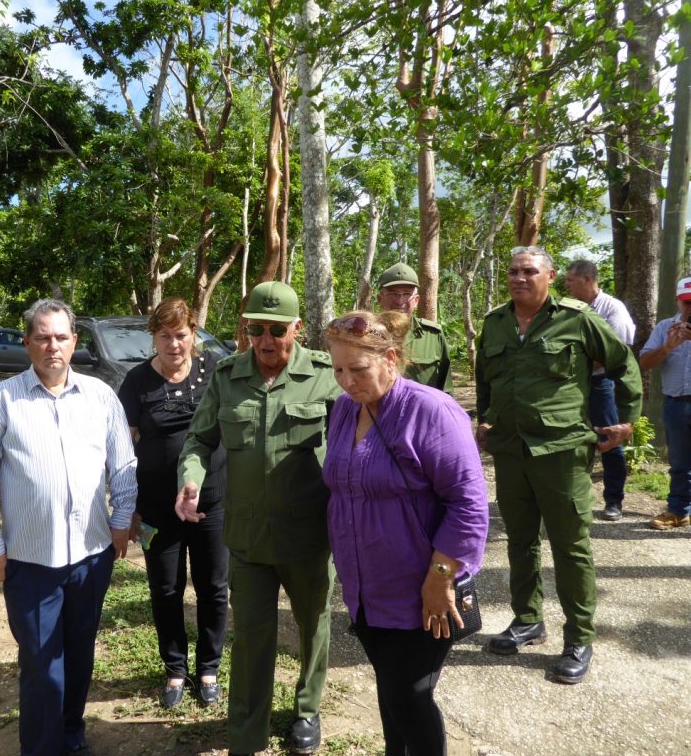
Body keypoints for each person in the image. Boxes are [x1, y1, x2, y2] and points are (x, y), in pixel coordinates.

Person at [0, 298, 137, 756]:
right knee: (41, 663)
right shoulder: (1, 400)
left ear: (74, 342)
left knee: (79, 653)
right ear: (27, 343)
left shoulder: (100, 396)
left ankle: (71, 732)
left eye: (61, 336)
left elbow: (123, 466)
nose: (52, 346)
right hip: (30, 559)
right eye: (42, 336)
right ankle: (42, 747)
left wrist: (121, 523)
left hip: (92, 554)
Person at [176, 281, 342, 756]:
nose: (266, 341)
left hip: (309, 536)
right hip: (247, 538)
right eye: (255, 330)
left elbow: (358, 443)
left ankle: (307, 710)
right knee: (250, 640)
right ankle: (247, 733)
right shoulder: (227, 376)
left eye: (277, 330)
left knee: (313, 627)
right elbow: (198, 441)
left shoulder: (327, 376)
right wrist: (189, 479)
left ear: (298, 329)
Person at [324, 309, 488, 756]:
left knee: (409, 696)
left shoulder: (431, 410)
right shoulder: (344, 408)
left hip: (420, 592)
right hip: (363, 588)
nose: (346, 380)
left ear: (391, 358)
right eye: (338, 369)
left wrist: (440, 579)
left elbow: (468, 503)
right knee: (390, 690)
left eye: (358, 370)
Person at [475, 246, 642, 685]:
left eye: (529, 271)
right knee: (520, 541)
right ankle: (527, 619)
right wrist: (485, 418)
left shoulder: (578, 318)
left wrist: (628, 421)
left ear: (549, 276)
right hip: (511, 451)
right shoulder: (494, 324)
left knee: (570, 547)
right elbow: (484, 380)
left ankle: (578, 638)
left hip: (562, 452)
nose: (518, 278)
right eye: (512, 271)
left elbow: (624, 363)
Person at [117, 298, 228, 709]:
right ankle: (176, 670)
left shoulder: (215, 372)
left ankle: (209, 668)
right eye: (165, 336)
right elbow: (122, 449)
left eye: (181, 335)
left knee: (214, 587)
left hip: (213, 501)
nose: (174, 344)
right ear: (153, 337)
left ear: (193, 333)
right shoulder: (136, 383)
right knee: (165, 589)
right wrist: (128, 506)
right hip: (157, 509)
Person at [565, 259, 636, 521]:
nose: (566, 285)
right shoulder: (571, 310)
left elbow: (617, 351)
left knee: (609, 438)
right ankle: (574, 496)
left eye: (570, 280)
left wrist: (574, 363)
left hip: (602, 383)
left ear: (585, 280)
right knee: (573, 438)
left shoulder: (612, 308)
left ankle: (614, 500)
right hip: (573, 384)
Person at [638, 276, 691, 530]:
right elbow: (644, 364)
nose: (690, 308)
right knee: (680, 463)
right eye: (687, 303)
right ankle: (678, 511)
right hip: (676, 404)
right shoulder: (664, 327)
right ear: (678, 302)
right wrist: (668, 347)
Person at [375, 263, 453, 392]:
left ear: (416, 300)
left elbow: (446, 389)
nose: (400, 301)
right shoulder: (365, 334)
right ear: (379, 299)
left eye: (406, 294)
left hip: (423, 411)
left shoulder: (433, 335)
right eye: (393, 294)